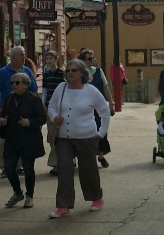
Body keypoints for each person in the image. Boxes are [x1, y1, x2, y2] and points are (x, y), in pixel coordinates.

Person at [47, 57, 111, 218]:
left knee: (88, 170)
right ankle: (63, 205)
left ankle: (96, 198)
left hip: (86, 137)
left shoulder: (91, 91)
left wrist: (101, 133)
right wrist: (54, 117)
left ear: (82, 73)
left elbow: (104, 111)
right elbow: (52, 106)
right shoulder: (61, 88)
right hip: (64, 137)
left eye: (74, 70)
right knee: (64, 170)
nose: (70, 73)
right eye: (68, 70)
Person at [0, 72, 46, 209]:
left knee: (28, 170)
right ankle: (17, 192)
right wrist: (2, 120)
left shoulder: (34, 99)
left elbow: (42, 118)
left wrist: (29, 122)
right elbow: (4, 115)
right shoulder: (9, 98)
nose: (14, 85)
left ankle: (29, 196)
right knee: (8, 168)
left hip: (28, 140)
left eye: (17, 83)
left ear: (26, 85)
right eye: (12, 83)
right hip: (12, 139)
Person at [0, 46, 38, 179]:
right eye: (21, 55)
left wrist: (33, 107)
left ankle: (20, 166)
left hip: (24, 109)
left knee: (22, 137)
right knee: (6, 139)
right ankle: (6, 166)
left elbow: (33, 89)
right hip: (6, 109)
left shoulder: (27, 71)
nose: (24, 57)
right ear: (13, 57)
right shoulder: (3, 72)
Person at [79, 49, 115, 168]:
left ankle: (101, 156)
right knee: (86, 133)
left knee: (101, 131)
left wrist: (111, 103)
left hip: (99, 107)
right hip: (84, 108)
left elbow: (105, 88)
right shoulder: (79, 73)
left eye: (92, 58)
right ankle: (86, 156)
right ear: (82, 61)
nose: (92, 60)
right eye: (89, 59)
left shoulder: (99, 72)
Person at [42, 51, 65, 175]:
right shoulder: (46, 75)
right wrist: (43, 104)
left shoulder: (62, 74)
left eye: (51, 58)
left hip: (60, 108)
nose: (48, 61)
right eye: (47, 59)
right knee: (52, 136)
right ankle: (58, 161)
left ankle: (58, 163)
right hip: (49, 108)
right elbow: (44, 90)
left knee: (61, 136)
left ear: (56, 59)